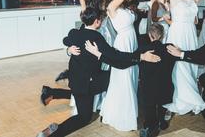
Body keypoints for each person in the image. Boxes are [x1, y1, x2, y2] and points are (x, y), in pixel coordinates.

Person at [36, 8, 160, 137]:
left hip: (76, 82)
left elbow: (65, 40)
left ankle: (51, 94)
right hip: (89, 84)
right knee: (86, 115)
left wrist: (69, 48)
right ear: (97, 21)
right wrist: (140, 57)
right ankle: (55, 132)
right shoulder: (96, 37)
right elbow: (116, 55)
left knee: (84, 94)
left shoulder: (74, 33)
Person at [86, 23, 175, 137]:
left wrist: (99, 54)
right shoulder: (169, 48)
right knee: (162, 103)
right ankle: (162, 121)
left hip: (149, 90)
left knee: (150, 107)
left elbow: (122, 62)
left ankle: (150, 126)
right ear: (162, 35)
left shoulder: (142, 50)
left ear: (149, 35)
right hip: (165, 88)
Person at [99, 0, 145, 131]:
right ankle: (122, 115)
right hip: (123, 43)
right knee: (124, 78)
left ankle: (125, 110)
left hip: (131, 42)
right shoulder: (112, 6)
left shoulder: (124, 5)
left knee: (131, 78)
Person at [163, 0, 205, 115]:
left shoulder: (193, 0)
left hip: (190, 36)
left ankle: (187, 99)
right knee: (177, 68)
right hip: (176, 35)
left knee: (189, 67)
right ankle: (177, 100)